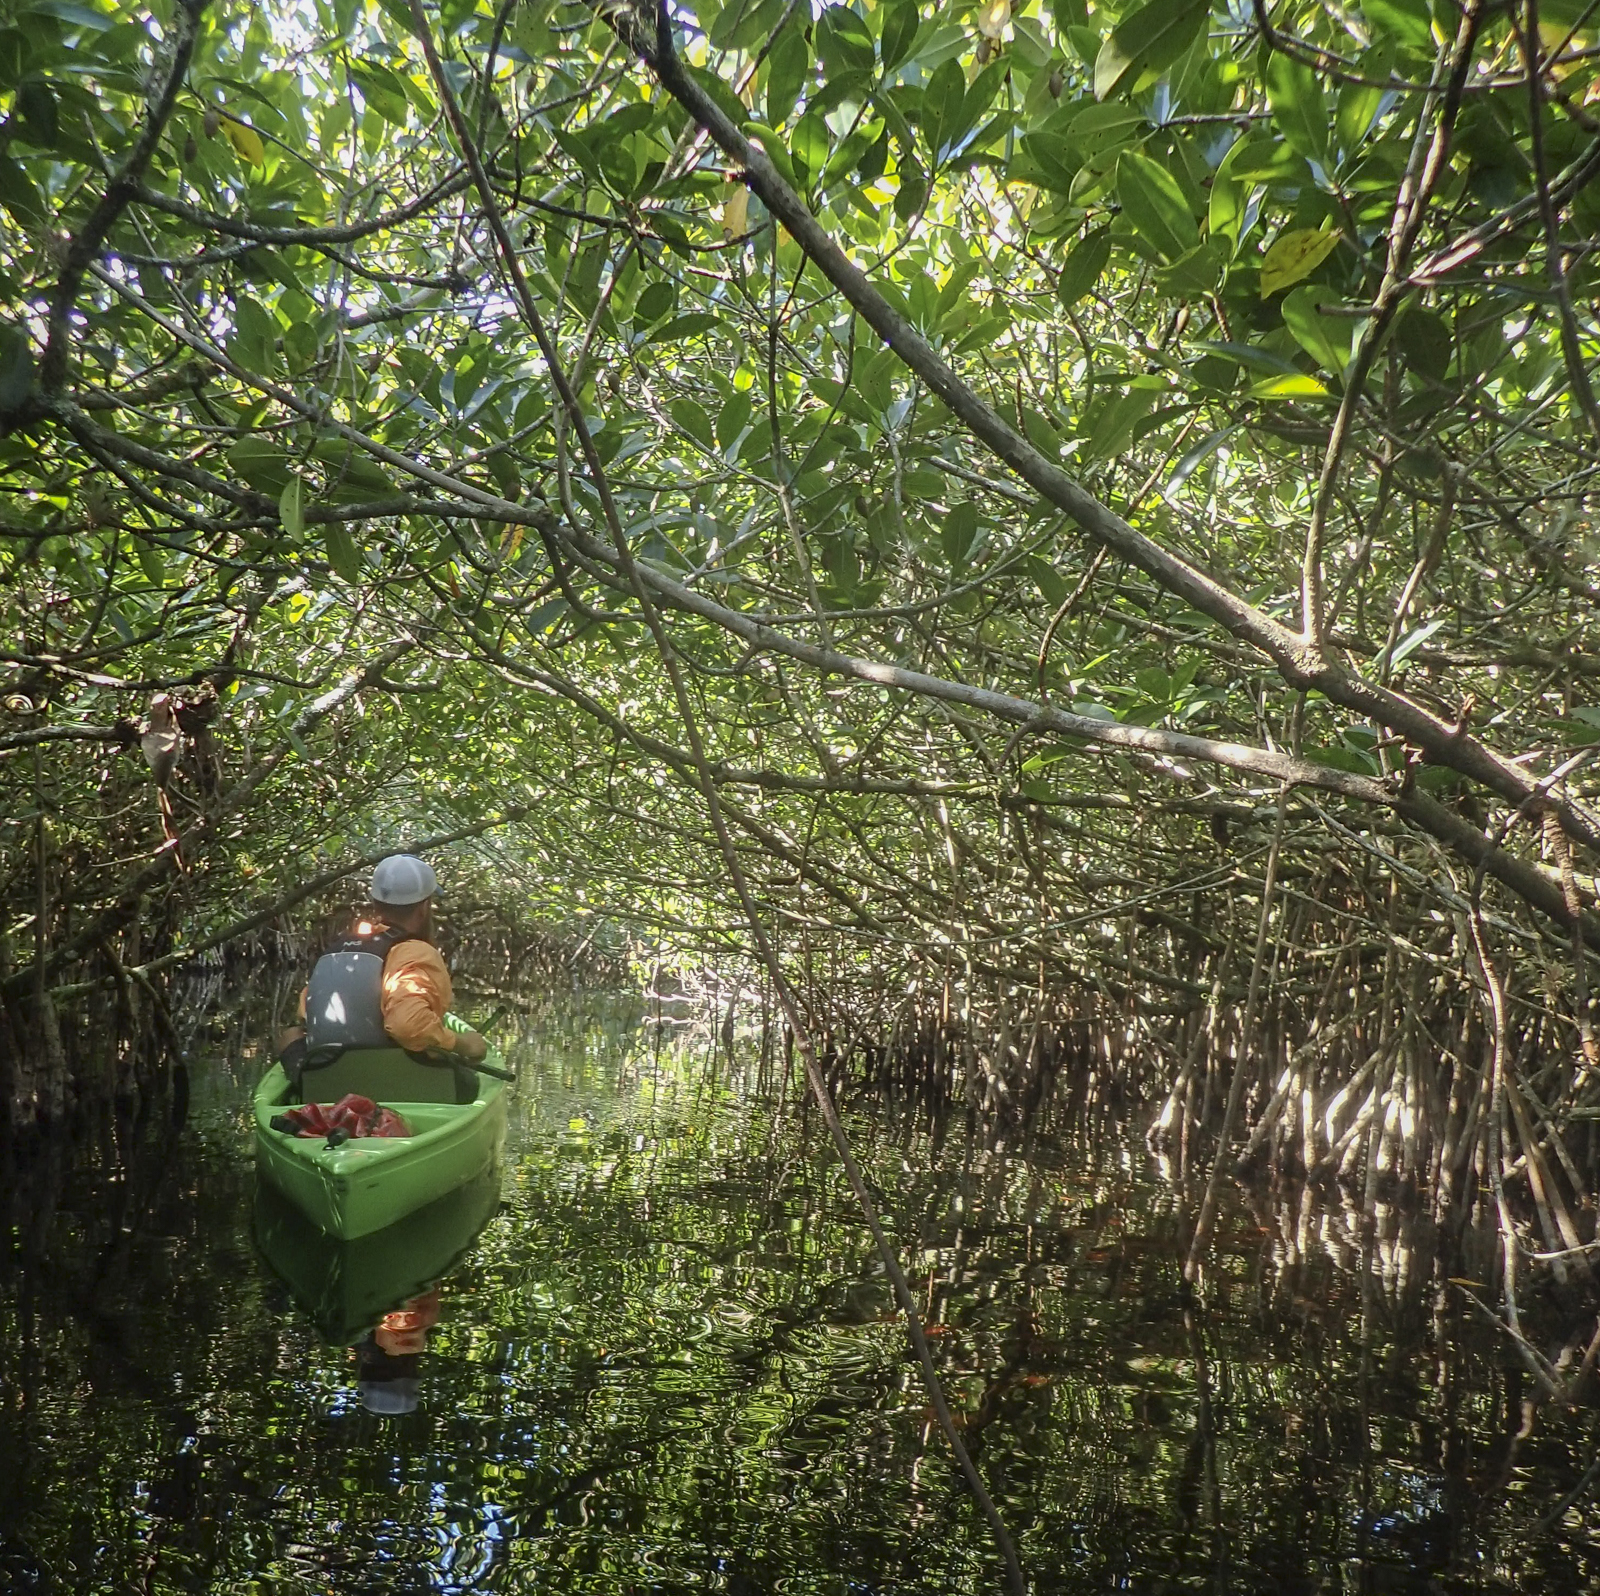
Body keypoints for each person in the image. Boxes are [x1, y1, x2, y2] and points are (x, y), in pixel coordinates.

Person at [286, 854, 488, 1064]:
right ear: (424, 908)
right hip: (391, 1077)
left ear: (376, 904)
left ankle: (301, 1081)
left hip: (326, 1072)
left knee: (291, 1036)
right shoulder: (416, 952)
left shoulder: (338, 950)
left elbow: (306, 1013)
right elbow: (407, 1025)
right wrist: (463, 1044)